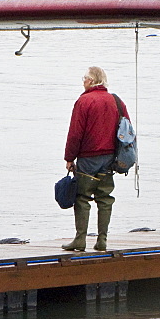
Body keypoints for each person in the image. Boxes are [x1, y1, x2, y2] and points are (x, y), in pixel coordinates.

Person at [62, 66, 130, 252]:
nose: (83, 81)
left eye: (84, 78)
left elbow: (75, 134)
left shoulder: (84, 101)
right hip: (110, 157)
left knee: (82, 197)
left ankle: (80, 239)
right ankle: (102, 240)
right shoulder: (116, 101)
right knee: (105, 198)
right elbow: (127, 131)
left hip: (88, 157)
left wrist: (69, 157)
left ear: (91, 81)